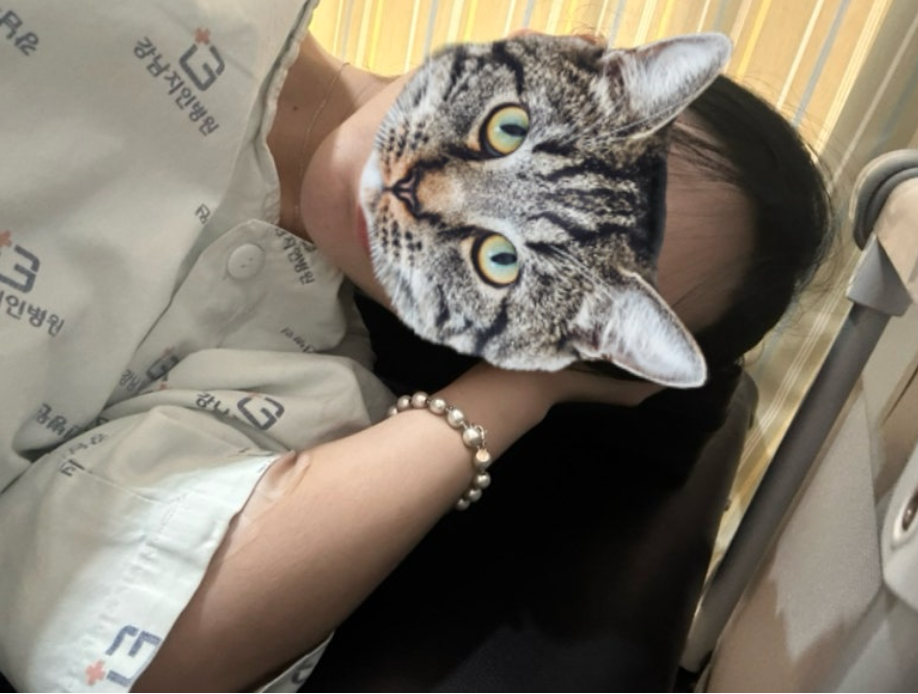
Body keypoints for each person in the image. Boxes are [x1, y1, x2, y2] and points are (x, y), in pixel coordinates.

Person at [0, 1, 831, 692]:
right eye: (512, 130)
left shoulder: (289, 379)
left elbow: (127, 647)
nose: (423, 196)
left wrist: (516, 394)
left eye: (504, 263)